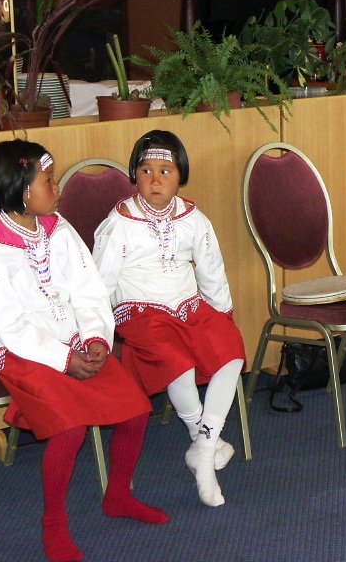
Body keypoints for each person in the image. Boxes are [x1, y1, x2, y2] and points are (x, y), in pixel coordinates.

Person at [0, 140, 168, 562]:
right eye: (48, 180)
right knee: (69, 427)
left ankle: (119, 495)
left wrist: (94, 338)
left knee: (135, 407)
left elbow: (88, 290)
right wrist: (63, 359)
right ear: (20, 191)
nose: (58, 187)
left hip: (74, 345)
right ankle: (54, 522)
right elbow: (7, 325)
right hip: (23, 353)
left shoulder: (59, 229)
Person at [93, 130, 245, 507]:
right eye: (146, 170)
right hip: (140, 310)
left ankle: (204, 449)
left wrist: (221, 312)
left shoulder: (193, 219)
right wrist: (98, 329)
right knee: (173, 359)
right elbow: (100, 282)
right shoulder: (120, 223)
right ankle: (202, 441)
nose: (156, 179)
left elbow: (212, 269)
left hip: (187, 305)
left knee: (231, 349)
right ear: (134, 174)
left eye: (166, 171)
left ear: (181, 176)